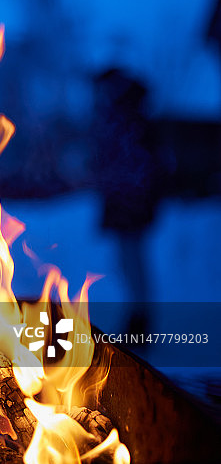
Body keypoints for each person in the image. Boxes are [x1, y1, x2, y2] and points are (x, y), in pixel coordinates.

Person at [92, 67, 159, 335]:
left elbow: (136, 167)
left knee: (133, 262)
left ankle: (140, 320)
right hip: (127, 202)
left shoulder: (127, 122)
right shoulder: (124, 119)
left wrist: (127, 196)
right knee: (127, 262)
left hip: (130, 204)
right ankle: (137, 317)